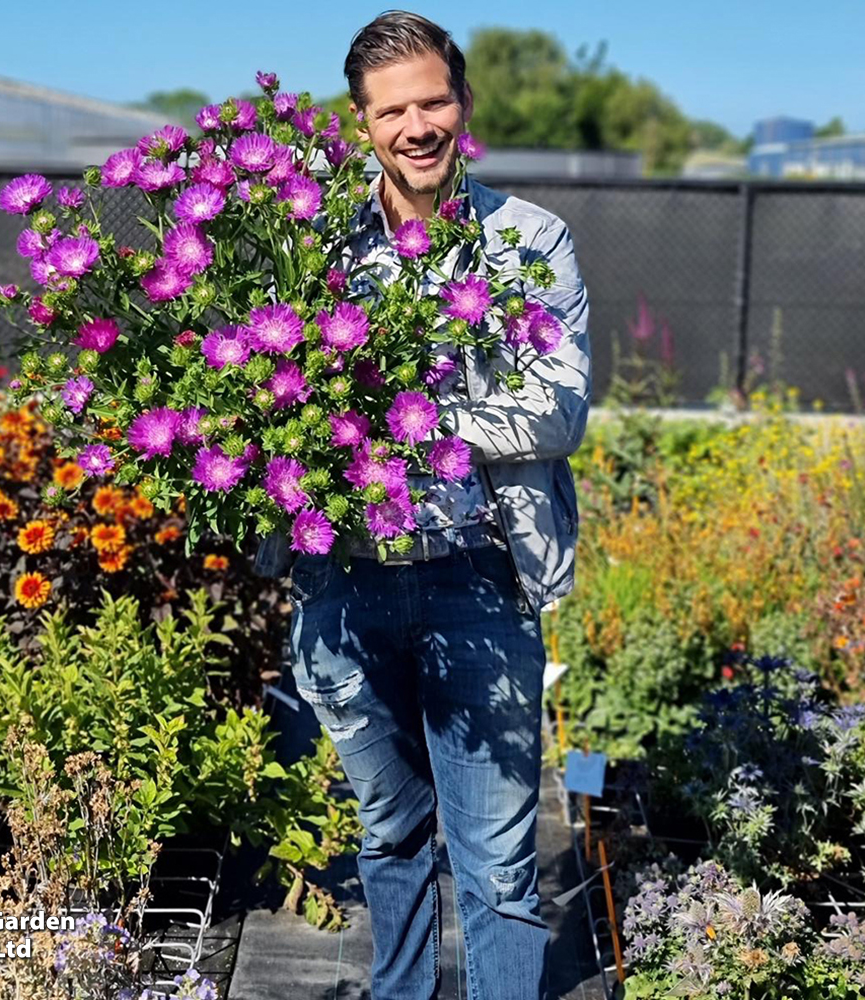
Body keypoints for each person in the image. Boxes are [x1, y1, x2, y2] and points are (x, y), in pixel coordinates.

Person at [254, 10, 591, 999]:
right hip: (343, 581)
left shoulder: (531, 241)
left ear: (463, 105)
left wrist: (394, 410)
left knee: (498, 870)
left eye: (433, 100)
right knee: (389, 837)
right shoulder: (306, 248)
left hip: (478, 580)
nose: (416, 125)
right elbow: (271, 409)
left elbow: (557, 408)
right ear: (362, 124)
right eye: (392, 109)